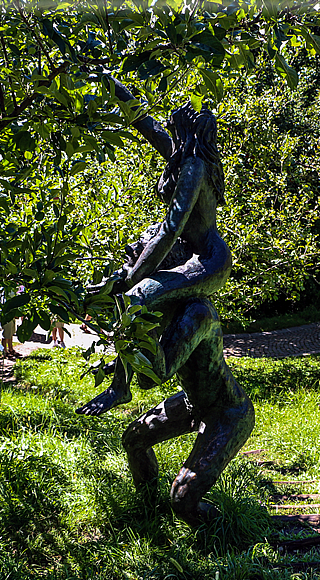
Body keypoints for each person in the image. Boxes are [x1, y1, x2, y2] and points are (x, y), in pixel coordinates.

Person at [76, 101, 230, 416]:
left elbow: (169, 231)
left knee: (135, 296)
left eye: (175, 122)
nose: (168, 125)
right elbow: (144, 123)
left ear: (187, 127)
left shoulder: (194, 168)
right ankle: (125, 370)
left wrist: (134, 275)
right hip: (188, 252)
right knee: (130, 297)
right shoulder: (182, 155)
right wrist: (110, 85)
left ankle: (123, 387)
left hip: (208, 259)